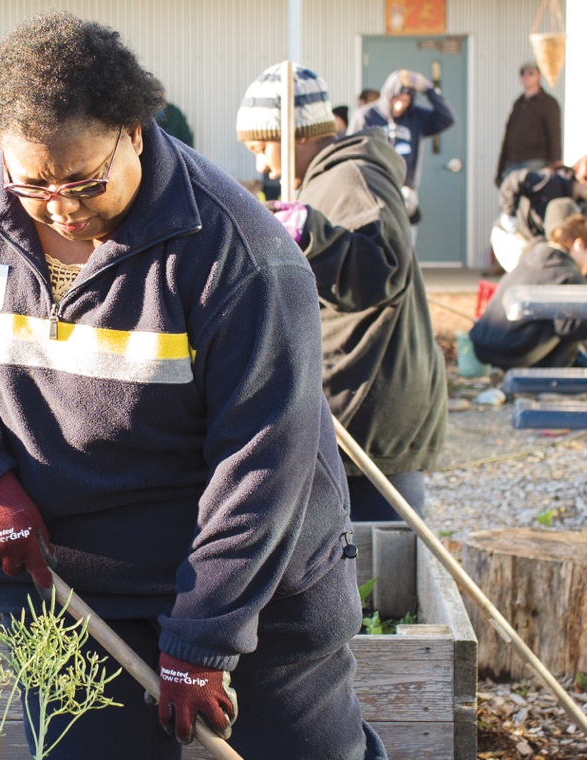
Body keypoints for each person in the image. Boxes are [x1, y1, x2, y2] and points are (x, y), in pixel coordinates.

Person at [0, 12, 417, 760]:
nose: (59, 209)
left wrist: (203, 640)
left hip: (251, 588)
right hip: (62, 585)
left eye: (84, 182)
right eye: (34, 184)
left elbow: (261, 463)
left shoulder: (236, 253)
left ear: (135, 131)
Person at [240, 64, 445, 525]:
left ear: (297, 134)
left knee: (382, 558)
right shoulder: (324, 179)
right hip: (352, 400)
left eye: (262, 147)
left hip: (373, 404)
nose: (261, 165)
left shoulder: (354, 177)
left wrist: (310, 232)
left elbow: (383, 269)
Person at [471, 211, 587, 370]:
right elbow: (569, 329)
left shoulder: (531, 257)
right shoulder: (569, 274)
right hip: (514, 352)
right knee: (575, 321)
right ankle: (554, 383)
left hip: (481, 344)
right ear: (579, 244)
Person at [348, 70, 454, 224]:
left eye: (405, 100)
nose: (399, 105)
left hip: (404, 190)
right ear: (387, 96)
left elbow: (447, 117)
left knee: (405, 240)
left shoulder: (416, 117)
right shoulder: (366, 116)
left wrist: (428, 89)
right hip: (372, 188)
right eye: (396, 99)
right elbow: (351, 151)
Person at [490, 156, 587, 270]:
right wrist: (509, 216)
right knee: (532, 274)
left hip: (537, 244)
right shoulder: (552, 181)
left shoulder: (580, 205)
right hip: (512, 236)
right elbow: (514, 180)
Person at [496, 61, 562, 187]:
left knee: (532, 203)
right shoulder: (519, 103)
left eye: (531, 73)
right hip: (512, 164)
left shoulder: (548, 103)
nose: (526, 76)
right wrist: (500, 169)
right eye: (523, 73)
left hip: (535, 163)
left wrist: (555, 165)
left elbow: (554, 134)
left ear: (539, 76)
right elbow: (508, 136)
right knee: (509, 203)